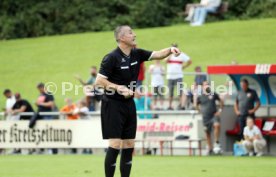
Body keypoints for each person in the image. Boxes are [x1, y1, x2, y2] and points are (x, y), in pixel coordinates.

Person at [95, 25, 181, 177]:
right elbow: (99, 81)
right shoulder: (111, 57)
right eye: (130, 33)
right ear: (121, 38)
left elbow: (157, 54)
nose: (134, 34)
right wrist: (119, 88)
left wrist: (170, 49)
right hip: (112, 104)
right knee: (115, 144)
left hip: (129, 104)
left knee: (129, 144)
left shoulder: (137, 53)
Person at [196, 81, 224, 155]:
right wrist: (199, 111)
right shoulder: (200, 96)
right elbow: (196, 104)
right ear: (202, 87)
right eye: (205, 85)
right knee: (207, 132)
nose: (206, 86)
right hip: (205, 117)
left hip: (214, 115)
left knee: (217, 125)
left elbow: (221, 101)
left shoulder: (213, 94)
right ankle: (210, 148)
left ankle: (216, 142)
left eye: (207, 85)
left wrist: (220, 110)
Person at [166, 43, 192, 110]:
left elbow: (189, 61)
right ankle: (170, 106)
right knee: (170, 92)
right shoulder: (168, 54)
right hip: (170, 76)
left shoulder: (181, 55)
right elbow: (165, 61)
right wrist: (170, 54)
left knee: (179, 92)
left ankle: (181, 105)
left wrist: (184, 66)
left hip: (178, 76)